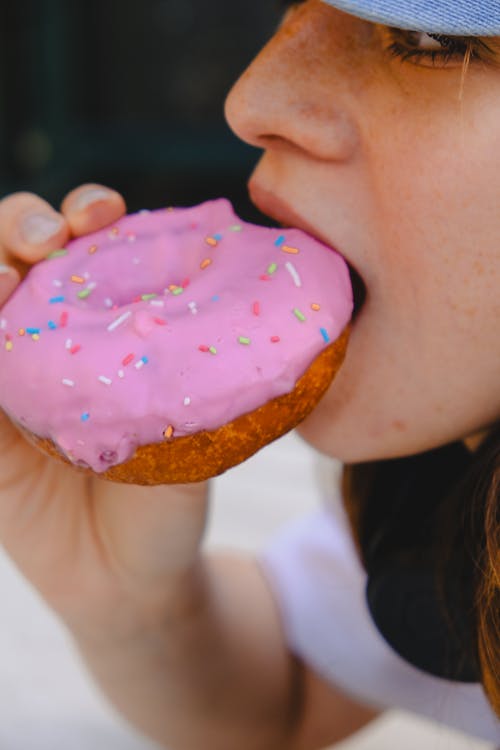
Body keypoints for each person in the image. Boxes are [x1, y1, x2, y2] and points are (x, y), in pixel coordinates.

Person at [0, 0, 498, 747]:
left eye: (431, 41)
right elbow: (285, 702)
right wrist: (129, 601)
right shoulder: (439, 493)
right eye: (292, 8)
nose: (248, 100)